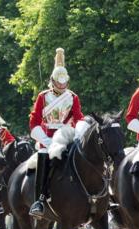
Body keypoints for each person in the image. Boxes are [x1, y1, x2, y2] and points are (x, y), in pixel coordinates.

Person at [28, 48, 89, 219]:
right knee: (43, 157)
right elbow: (34, 122)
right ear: (53, 81)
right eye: (59, 82)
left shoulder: (73, 97)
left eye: (64, 83)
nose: (62, 86)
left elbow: (79, 118)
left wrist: (80, 132)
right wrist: (46, 140)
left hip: (65, 136)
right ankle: (39, 200)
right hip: (46, 136)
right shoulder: (43, 96)